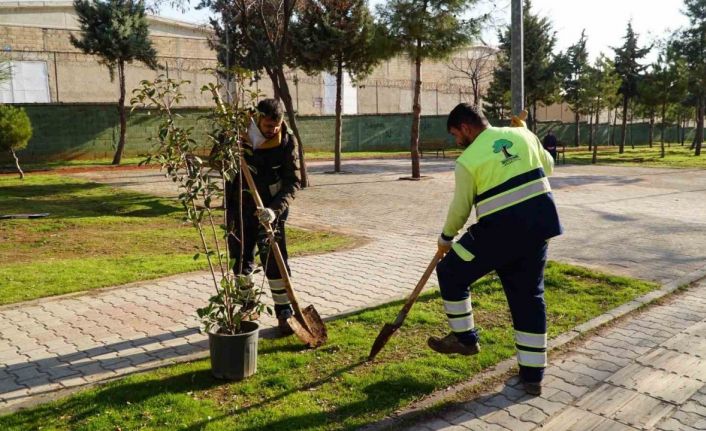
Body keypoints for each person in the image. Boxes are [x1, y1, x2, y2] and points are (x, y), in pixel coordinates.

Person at [428, 103, 562, 395]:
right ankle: (533, 377)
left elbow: (461, 207)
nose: (456, 141)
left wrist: (446, 237)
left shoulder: (468, 160)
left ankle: (464, 339)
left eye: (455, 134)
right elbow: (548, 166)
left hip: (498, 234)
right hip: (538, 227)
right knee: (528, 298)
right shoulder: (523, 136)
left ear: (465, 128)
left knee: (450, 272)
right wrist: (526, 132)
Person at [225, 98, 300, 336]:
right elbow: (218, 162)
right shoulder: (237, 135)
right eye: (269, 127)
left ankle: (284, 313)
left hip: (270, 209)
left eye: (276, 126)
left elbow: (293, 181)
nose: (273, 131)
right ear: (258, 120)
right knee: (241, 258)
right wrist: (228, 154)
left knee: (275, 261)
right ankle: (247, 307)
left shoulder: (286, 141)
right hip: (240, 207)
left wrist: (274, 210)